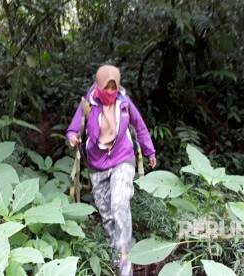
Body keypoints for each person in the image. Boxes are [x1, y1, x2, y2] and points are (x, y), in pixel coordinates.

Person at [66, 65, 156, 276]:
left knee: (119, 204)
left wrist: (149, 151)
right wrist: (72, 138)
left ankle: (125, 261)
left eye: (114, 88)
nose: (110, 93)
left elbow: (140, 126)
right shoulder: (88, 103)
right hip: (97, 164)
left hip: (123, 158)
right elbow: (72, 129)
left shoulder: (124, 103)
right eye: (106, 88)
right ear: (98, 87)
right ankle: (120, 247)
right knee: (106, 215)